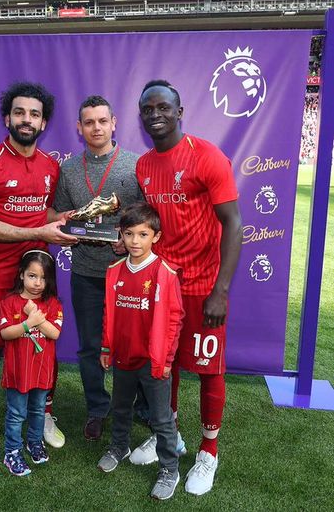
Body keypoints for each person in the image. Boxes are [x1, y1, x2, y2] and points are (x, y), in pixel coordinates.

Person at [132, 80, 242, 496]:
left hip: (202, 287)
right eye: (148, 109)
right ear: (141, 117)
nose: (155, 114)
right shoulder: (144, 166)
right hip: (163, 287)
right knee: (164, 365)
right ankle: (169, 435)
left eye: (163, 107)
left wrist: (221, 290)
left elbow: (233, 223)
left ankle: (208, 450)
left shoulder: (207, 156)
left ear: (180, 112)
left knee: (209, 370)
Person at [0, 81, 77, 452]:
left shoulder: (50, 166)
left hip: (37, 275)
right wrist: (39, 229)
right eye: (19, 112)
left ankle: (43, 412)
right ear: (6, 118)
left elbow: (46, 214)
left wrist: (66, 221)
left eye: (34, 114)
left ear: (43, 123)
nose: (26, 120)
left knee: (43, 340)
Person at [49, 95, 146, 441]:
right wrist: (64, 224)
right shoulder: (69, 169)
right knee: (90, 346)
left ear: (114, 123)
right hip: (87, 273)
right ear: (79, 127)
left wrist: (129, 237)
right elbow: (55, 212)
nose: (96, 128)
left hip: (130, 273)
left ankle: (136, 405)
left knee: (132, 345)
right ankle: (97, 408)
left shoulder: (135, 166)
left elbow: (149, 217)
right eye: (88, 122)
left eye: (102, 121)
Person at [96, 202, 184, 500]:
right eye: (129, 234)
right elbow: (110, 312)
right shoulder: (114, 271)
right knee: (120, 407)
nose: (135, 241)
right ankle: (119, 447)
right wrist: (107, 346)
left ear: (155, 237)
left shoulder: (165, 272)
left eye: (143, 234)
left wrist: (168, 358)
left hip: (154, 360)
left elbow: (174, 319)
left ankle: (170, 468)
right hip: (123, 356)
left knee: (161, 418)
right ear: (120, 234)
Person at [0, 250, 63, 476]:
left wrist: (37, 319)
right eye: (32, 276)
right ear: (21, 275)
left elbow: (54, 333)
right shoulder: (9, 302)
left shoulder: (53, 303)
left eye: (43, 278)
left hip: (42, 373)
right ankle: (12, 451)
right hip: (18, 372)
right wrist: (28, 323)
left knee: (37, 410)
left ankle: (34, 442)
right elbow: (6, 333)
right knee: (16, 413)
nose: (37, 283)